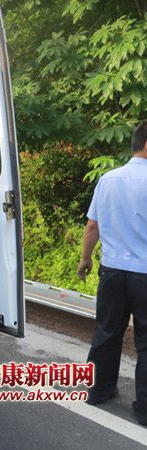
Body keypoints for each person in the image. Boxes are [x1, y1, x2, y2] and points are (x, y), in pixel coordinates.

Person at [77, 120, 147, 425]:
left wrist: (85, 258)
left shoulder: (108, 179)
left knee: (106, 332)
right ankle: (145, 409)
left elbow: (92, 225)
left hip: (112, 272)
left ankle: (98, 390)